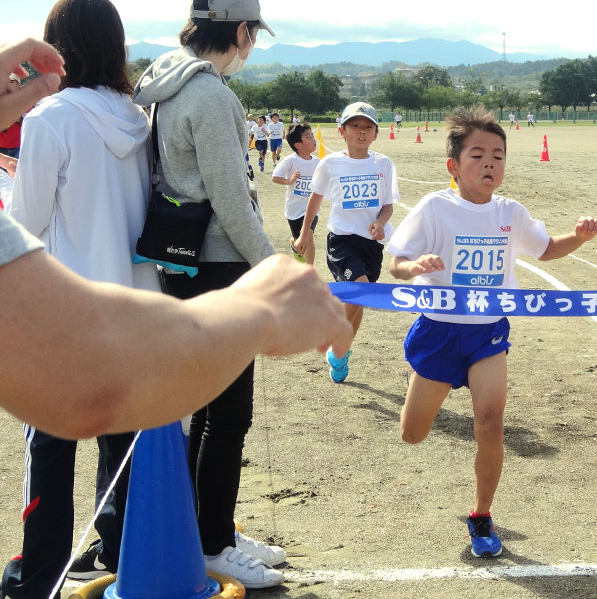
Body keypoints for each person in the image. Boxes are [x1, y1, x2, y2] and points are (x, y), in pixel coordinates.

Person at [0, 38, 354, 438]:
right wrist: (264, 306)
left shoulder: (122, 106)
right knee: (206, 424)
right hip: (148, 274)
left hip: (139, 267)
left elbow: (28, 216)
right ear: (242, 32)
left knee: (179, 423)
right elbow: (88, 399)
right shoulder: (139, 112)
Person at [387, 106, 597, 558]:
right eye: (478, 155)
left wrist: (578, 237)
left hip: (487, 335)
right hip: (439, 333)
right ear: (453, 166)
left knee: (490, 423)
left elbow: (546, 250)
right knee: (413, 433)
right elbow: (396, 263)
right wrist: (416, 265)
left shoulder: (510, 213)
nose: (490, 164)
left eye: (498, 156)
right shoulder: (435, 208)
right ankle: (420, 383)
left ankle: (481, 515)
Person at [131, 0, 286, 589]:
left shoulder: (166, 83)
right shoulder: (213, 97)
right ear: (242, 32)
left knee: (211, 409)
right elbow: (231, 197)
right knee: (229, 413)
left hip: (183, 260)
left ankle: (209, 524)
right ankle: (214, 541)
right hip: (221, 266)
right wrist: (273, 268)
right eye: (252, 35)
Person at [1, 0, 155, 596]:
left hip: (65, 312)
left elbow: (26, 224)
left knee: (50, 449)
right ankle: (115, 552)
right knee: (120, 445)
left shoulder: (50, 118)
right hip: (135, 308)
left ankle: (39, 573)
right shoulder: (139, 117)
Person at [293, 102, 398, 383]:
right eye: (355, 126)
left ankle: (341, 350)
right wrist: (305, 233)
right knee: (361, 289)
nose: (361, 132)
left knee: (359, 301)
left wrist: (381, 222)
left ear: (376, 133)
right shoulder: (331, 164)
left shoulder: (384, 164)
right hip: (341, 240)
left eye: (367, 127)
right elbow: (315, 198)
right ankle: (334, 334)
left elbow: (387, 205)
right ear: (342, 131)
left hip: (371, 243)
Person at [272, 122, 318, 260]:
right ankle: (294, 244)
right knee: (299, 242)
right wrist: (289, 181)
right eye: (308, 137)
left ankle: (309, 272)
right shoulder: (291, 161)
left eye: (312, 135)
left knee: (308, 236)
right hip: (294, 209)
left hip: (311, 208)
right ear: (298, 145)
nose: (313, 139)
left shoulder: (318, 162)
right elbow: (275, 177)